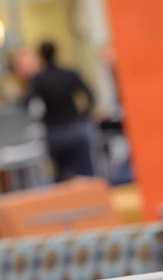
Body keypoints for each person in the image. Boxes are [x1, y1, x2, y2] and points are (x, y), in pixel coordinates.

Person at [23, 41, 95, 181]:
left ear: (40, 56)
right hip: (75, 128)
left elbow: (27, 103)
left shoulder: (38, 79)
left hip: (54, 133)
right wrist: (84, 115)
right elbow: (89, 95)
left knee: (62, 176)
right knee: (86, 173)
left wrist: (41, 118)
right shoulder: (70, 73)